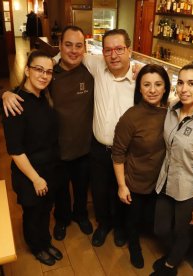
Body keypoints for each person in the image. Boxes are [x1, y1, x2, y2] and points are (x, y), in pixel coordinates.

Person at [1, 26, 95, 241]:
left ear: (84, 48)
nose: (73, 50)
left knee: (80, 188)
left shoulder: (91, 71)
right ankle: (62, 220)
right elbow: (24, 93)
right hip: (56, 151)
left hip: (83, 147)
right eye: (68, 44)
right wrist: (4, 94)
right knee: (60, 192)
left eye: (78, 45)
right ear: (60, 47)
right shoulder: (50, 73)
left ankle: (81, 215)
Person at [151, 60, 193, 276]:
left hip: (188, 190)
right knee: (160, 229)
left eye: (191, 84)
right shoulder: (172, 108)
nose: (184, 89)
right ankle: (174, 253)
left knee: (182, 232)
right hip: (165, 181)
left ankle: (171, 266)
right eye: (180, 83)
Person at [2, 50, 63, 266]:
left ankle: (45, 241)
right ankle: (36, 247)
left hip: (49, 168)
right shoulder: (15, 102)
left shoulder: (44, 96)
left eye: (48, 71)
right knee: (32, 213)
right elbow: (16, 151)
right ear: (27, 70)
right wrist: (36, 179)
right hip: (29, 172)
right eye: (38, 69)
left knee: (46, 209)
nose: (44, 75)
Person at [111, 64, 170, 268]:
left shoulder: (171, 112)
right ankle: (134, 246)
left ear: (165, 88)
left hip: (160, 181)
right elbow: (117, 153)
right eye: (146, 85)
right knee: (133, 220)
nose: (152, 90)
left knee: (150, 217)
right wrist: (122, 186)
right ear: (140, 89)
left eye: (158, 84)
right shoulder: (131, 117)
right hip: (135, 181)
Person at [82, 29, 136, 247]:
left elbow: (167, 90)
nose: (113, 55)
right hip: (98, 147)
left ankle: (120, 227)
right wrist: (11, 92)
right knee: (99, 190)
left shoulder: (139, 78)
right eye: (108, 50)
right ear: (102, 52)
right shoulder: (96, 65)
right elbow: (66, 55)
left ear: (129, 50)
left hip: (125, 152)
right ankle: (103, 225)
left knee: (122, 191)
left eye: (119, 49)